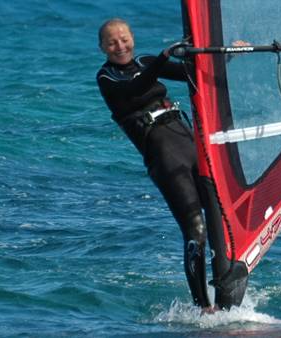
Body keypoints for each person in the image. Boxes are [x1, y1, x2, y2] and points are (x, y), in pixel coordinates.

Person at [95, 18, 246, 313]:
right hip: (162, 155)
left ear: (133, 39)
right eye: (112, 42)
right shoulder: (106, 78)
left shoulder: (144, 61)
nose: (119, 46)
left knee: (223, 216)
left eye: (124, 38)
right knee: (195, 229)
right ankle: (203, 307)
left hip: (188, 141)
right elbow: (136, 87)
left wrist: (226, 54)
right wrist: (165, 56)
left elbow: (192, 72)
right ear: (102, 47)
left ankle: (228, 285)